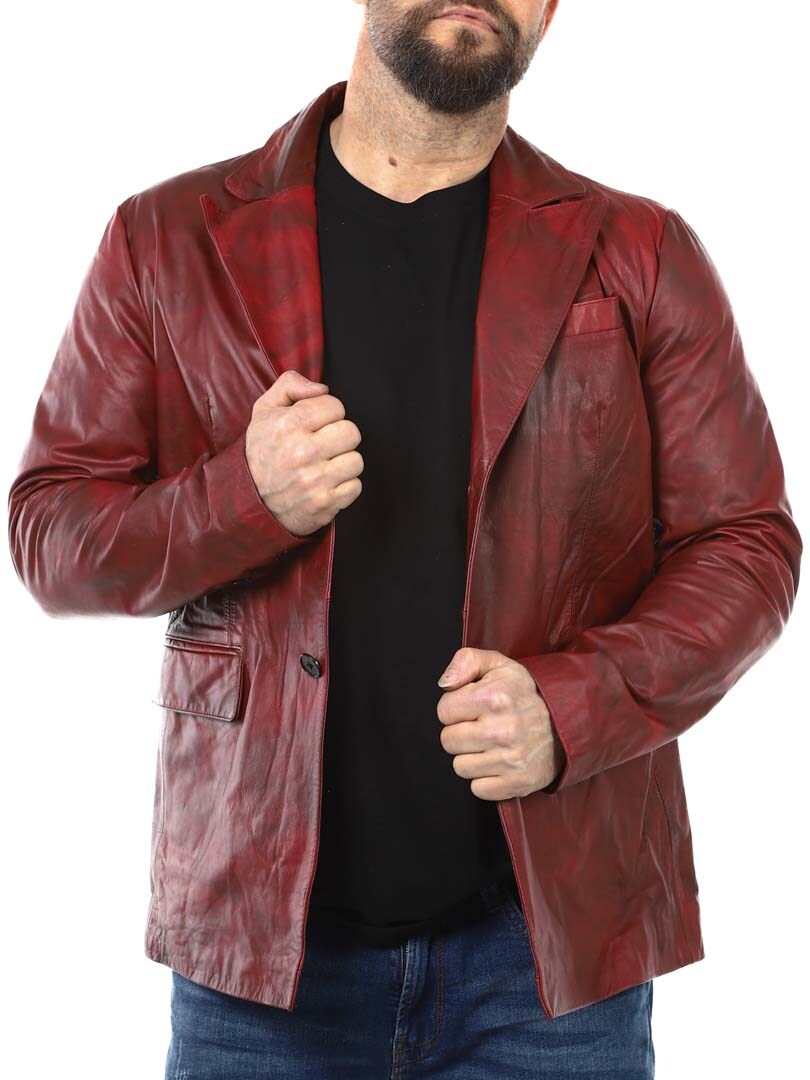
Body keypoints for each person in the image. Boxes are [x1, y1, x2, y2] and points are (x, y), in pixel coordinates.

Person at [7, 1, 802, 1077]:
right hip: (259, 954)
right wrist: (242, 497)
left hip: (552, 956)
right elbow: (50, 531)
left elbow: (747, 543)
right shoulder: (168, 238)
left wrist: (573, 706)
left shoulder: (640, 250)